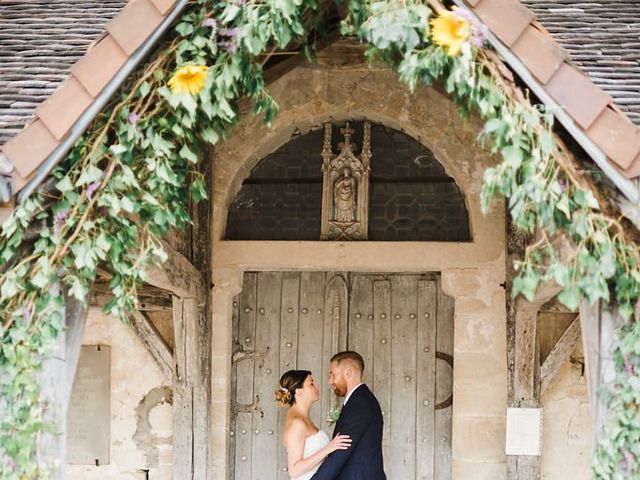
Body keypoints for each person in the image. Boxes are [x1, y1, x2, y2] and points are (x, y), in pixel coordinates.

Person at [311, 351, 386, 480]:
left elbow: (340, 453)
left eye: (332, 374)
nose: (330, 381)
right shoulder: (359, 400)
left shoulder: (360, 403)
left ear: (348, 372)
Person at [276, 370, 352, 480]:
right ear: (299, 392)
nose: (316, 386)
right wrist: (327, 449)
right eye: (311, 383)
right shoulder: (297, 423)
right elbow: (294, 470)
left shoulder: (302, 418)